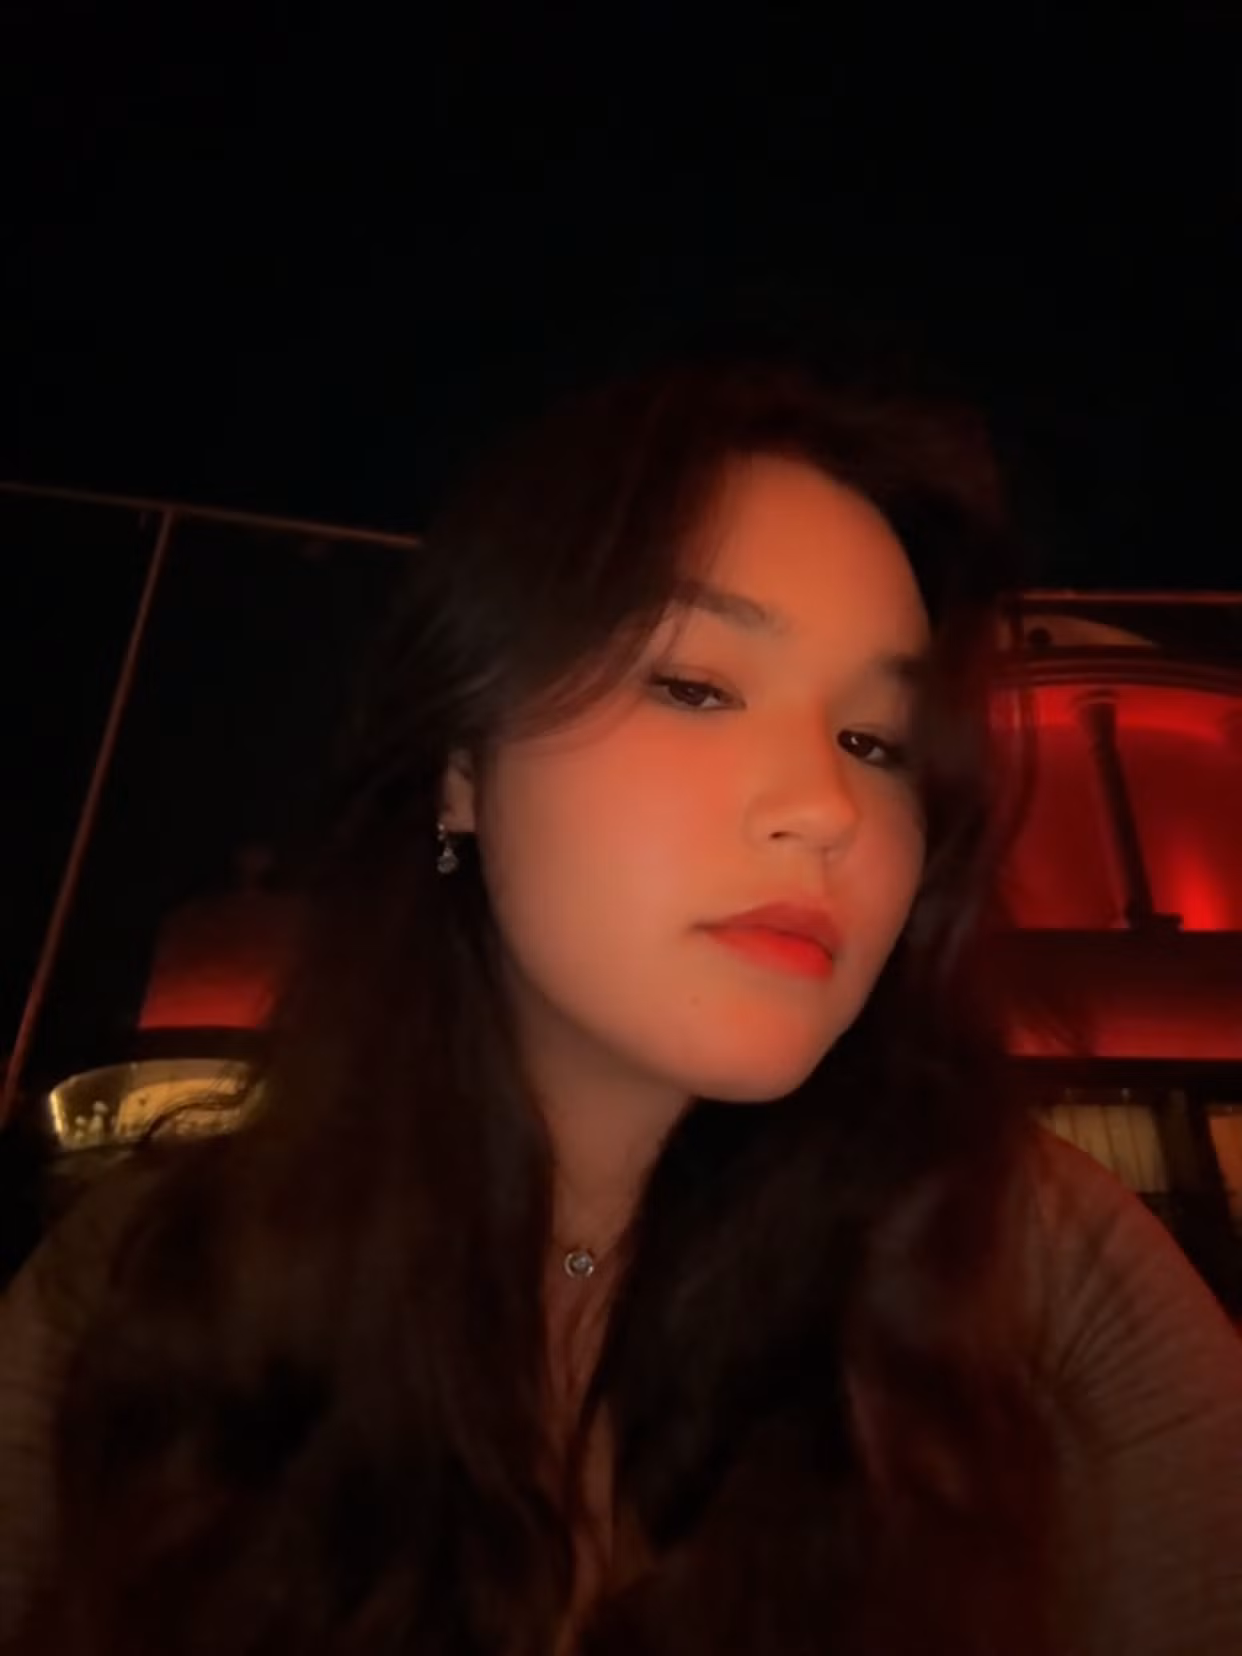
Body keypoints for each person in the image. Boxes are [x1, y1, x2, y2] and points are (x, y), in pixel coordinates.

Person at [1, 361, 1239, 1656]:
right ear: (462, 771)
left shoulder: (1041, 1282)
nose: (825, 808)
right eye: (695, 685)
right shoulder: (139, 1291)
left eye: (876, 743)